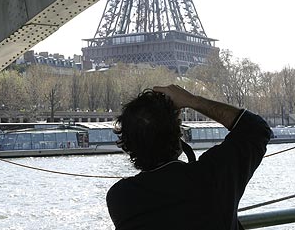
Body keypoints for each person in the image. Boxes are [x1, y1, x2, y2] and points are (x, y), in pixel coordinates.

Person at [107, 84, 271, 230]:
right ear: (178, 137)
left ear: (128, 146)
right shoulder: (211, 177)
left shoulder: (120, 198)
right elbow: (255, 128)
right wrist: (192, 101)